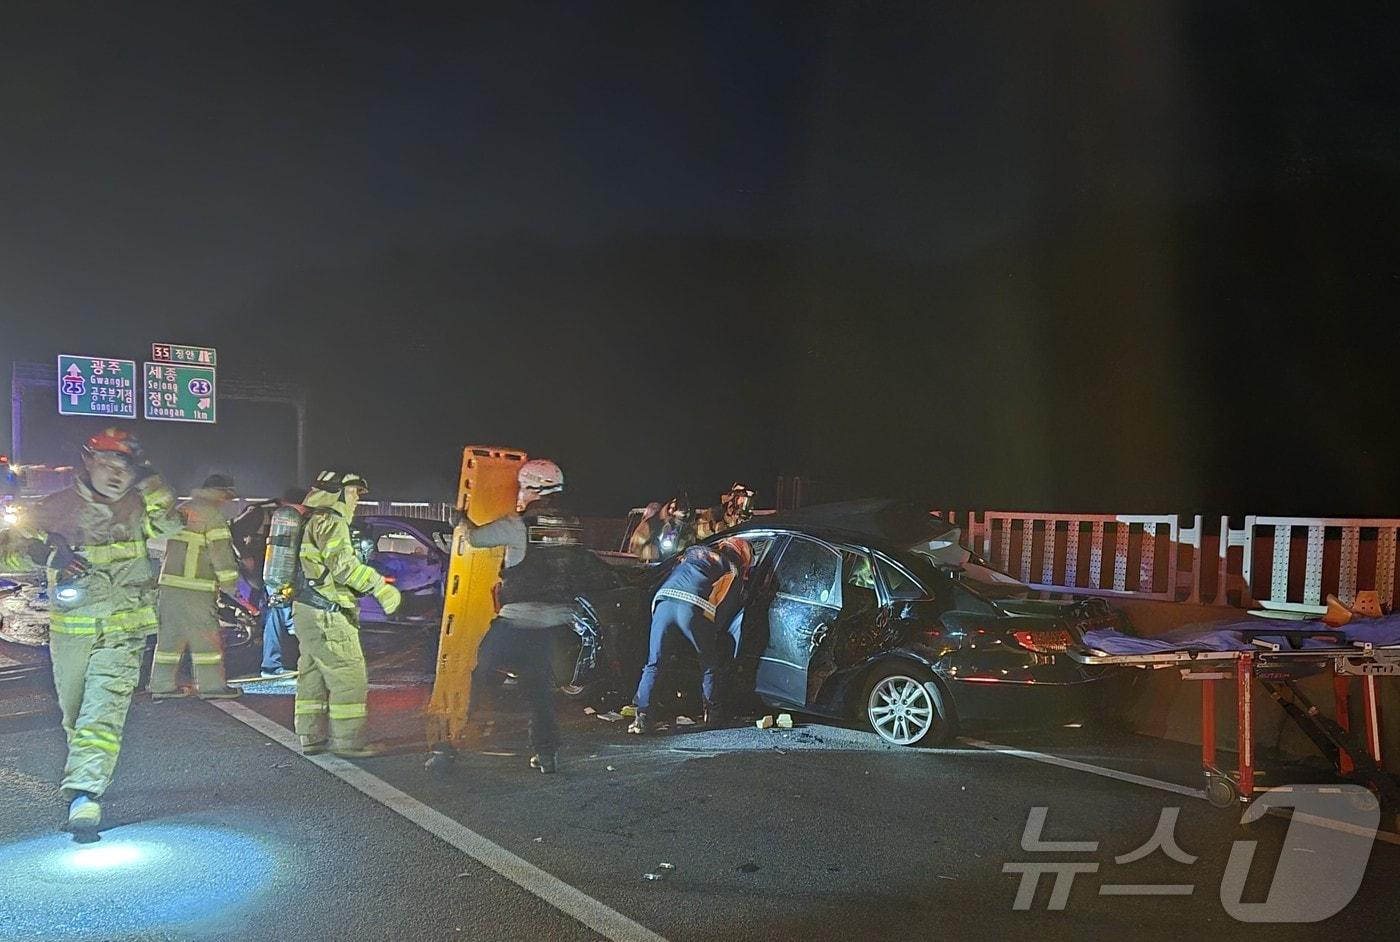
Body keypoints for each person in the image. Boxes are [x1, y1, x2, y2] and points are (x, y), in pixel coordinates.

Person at [0, 428, 182, 835]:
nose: (116, 475)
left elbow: (171, 523)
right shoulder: (56, 508)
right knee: (75, 713)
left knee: (102, 712)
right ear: (87, 462)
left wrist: (151, 480)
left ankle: (86, 792)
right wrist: (41, 550)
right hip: (72, 634)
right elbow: (5, 550)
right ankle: (83, 775)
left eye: (125, 467)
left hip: (123, 633)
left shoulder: (139, 507)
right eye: (107, 464)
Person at [463, 458, 616, 773]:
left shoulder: (518, 525)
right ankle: (546, 754)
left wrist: (461, 519)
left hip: (517, 619)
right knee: (538, 691)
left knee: (482, 671)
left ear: (531, 488)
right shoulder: (572, 525)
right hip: (554, 623)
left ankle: (462, 735)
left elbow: (475, 538)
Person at [291, 470, 401, 758]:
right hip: (327, 613)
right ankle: (350, 743)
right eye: (353, 493)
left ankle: (310, 737)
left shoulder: (311, 519)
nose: (356, 500)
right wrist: (380, 587)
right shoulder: (331, 521)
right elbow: (343, 567)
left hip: (307, 610)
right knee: (348, 677)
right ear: (337, 492)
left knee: (312, 676)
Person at [628, 536, 752, 735]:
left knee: (654, 662)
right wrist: (710, 633)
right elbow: (725, 608)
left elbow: (668, 573)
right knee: (709, 664)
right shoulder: (732, 569)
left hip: (663, 602)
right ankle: (713, 715)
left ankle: (642, 717)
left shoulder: (694, 552)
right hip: (693, 607)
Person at [150, 474, 243, 700]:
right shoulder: (212, 515)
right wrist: (231, 586)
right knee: (206, 639)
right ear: (220, 492)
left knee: (169, 639)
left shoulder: (184, 508)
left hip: (169, 586)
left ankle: (161, 686)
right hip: (197, 588)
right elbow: (220, 553)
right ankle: (212, 687)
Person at [627, 492, 698, 562]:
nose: (677, 524)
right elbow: (635, 547)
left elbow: (690, 545)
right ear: (671, 511)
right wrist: (649, 555)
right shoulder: (652, 524)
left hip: (675, 565)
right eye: (676, 520)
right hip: (651, 565)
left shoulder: (688, 528)